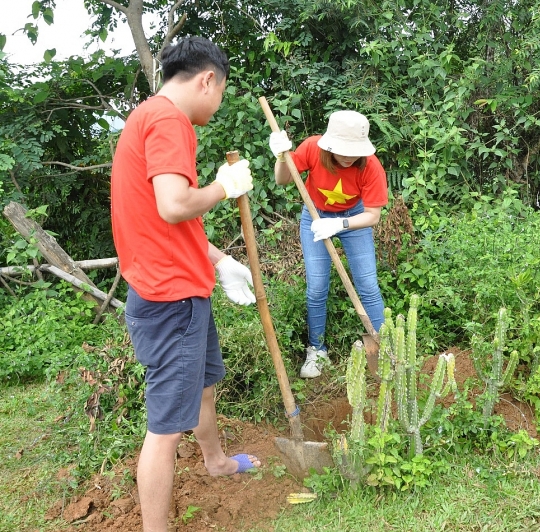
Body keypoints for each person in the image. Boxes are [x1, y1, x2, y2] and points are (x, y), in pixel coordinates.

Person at [110, 36, 260, 532]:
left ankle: (215, 461)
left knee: (205, 383)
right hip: (170, 297)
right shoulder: (171, 120)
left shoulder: (147, 116)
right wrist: (225, 187)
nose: (216, 106)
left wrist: (219, 260)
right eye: (220, 94)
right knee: (166, 431)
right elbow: (175, 204)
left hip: (181, 286)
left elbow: (169, 220)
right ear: (207, 80)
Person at [269, 111, 388, 378]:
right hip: (314, 215)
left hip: (354, 219)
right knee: (316, 288)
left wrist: (340, 225)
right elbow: (282, 179)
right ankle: (317, 351)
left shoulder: (370, 166)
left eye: (353, 150)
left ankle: (383, 347)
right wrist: (280, 158)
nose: (348, 156)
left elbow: (373, 216)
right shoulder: (312, 148)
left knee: (368, 285)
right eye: (342, 150)